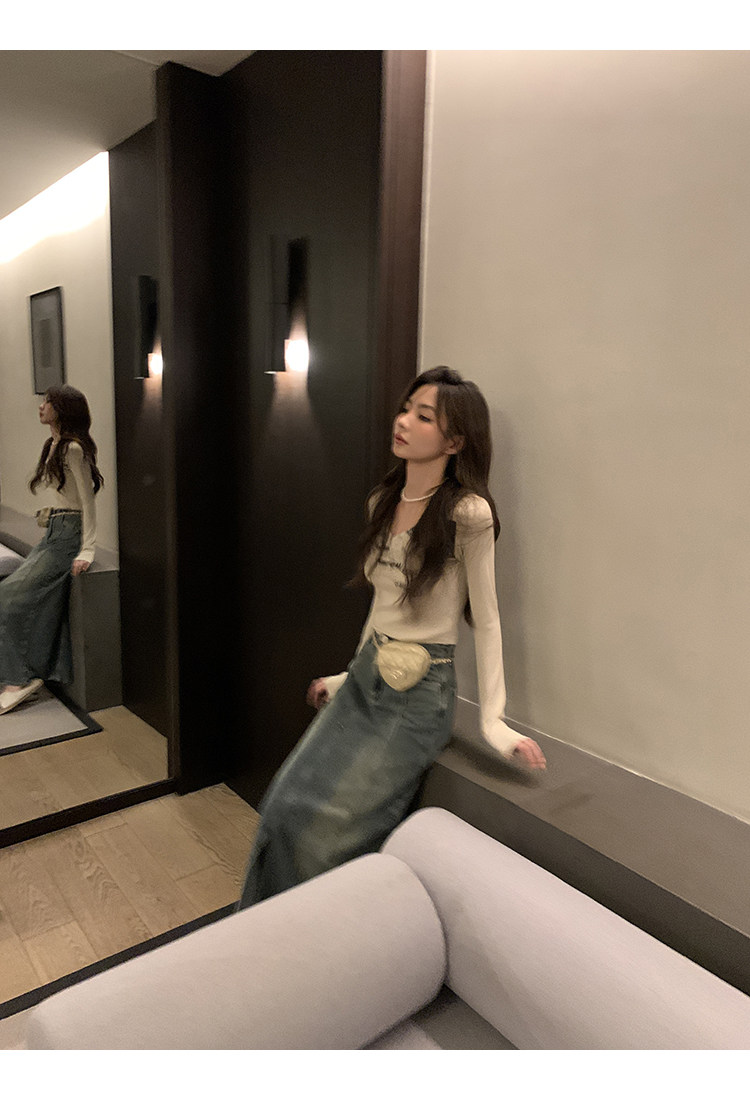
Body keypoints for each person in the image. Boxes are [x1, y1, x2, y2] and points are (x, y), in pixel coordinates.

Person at [237, 366, 546, 909]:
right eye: (406, 409)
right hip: (366, 681)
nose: (403, 421)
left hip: (418, 699)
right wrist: (346, 675)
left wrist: (493, 723)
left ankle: (322, 939)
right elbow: (382, 610)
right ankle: (261, 931)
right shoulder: (382, 502)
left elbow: (488, 618)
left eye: (423, 417)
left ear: (455, 442)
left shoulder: (467, 513)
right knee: (283, 808)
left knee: (325, 840)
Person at [0, 385, 103, 715]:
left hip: (68, 536)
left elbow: (86, 501)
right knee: (20, 598)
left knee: (7, 596)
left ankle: (18, 679)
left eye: (48, 402)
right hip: (55, 530)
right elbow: (66, 497)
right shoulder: (54, 445)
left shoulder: (73, 448)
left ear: (63, 409)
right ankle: (20, 674)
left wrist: (87, 549)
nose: (41, 406)